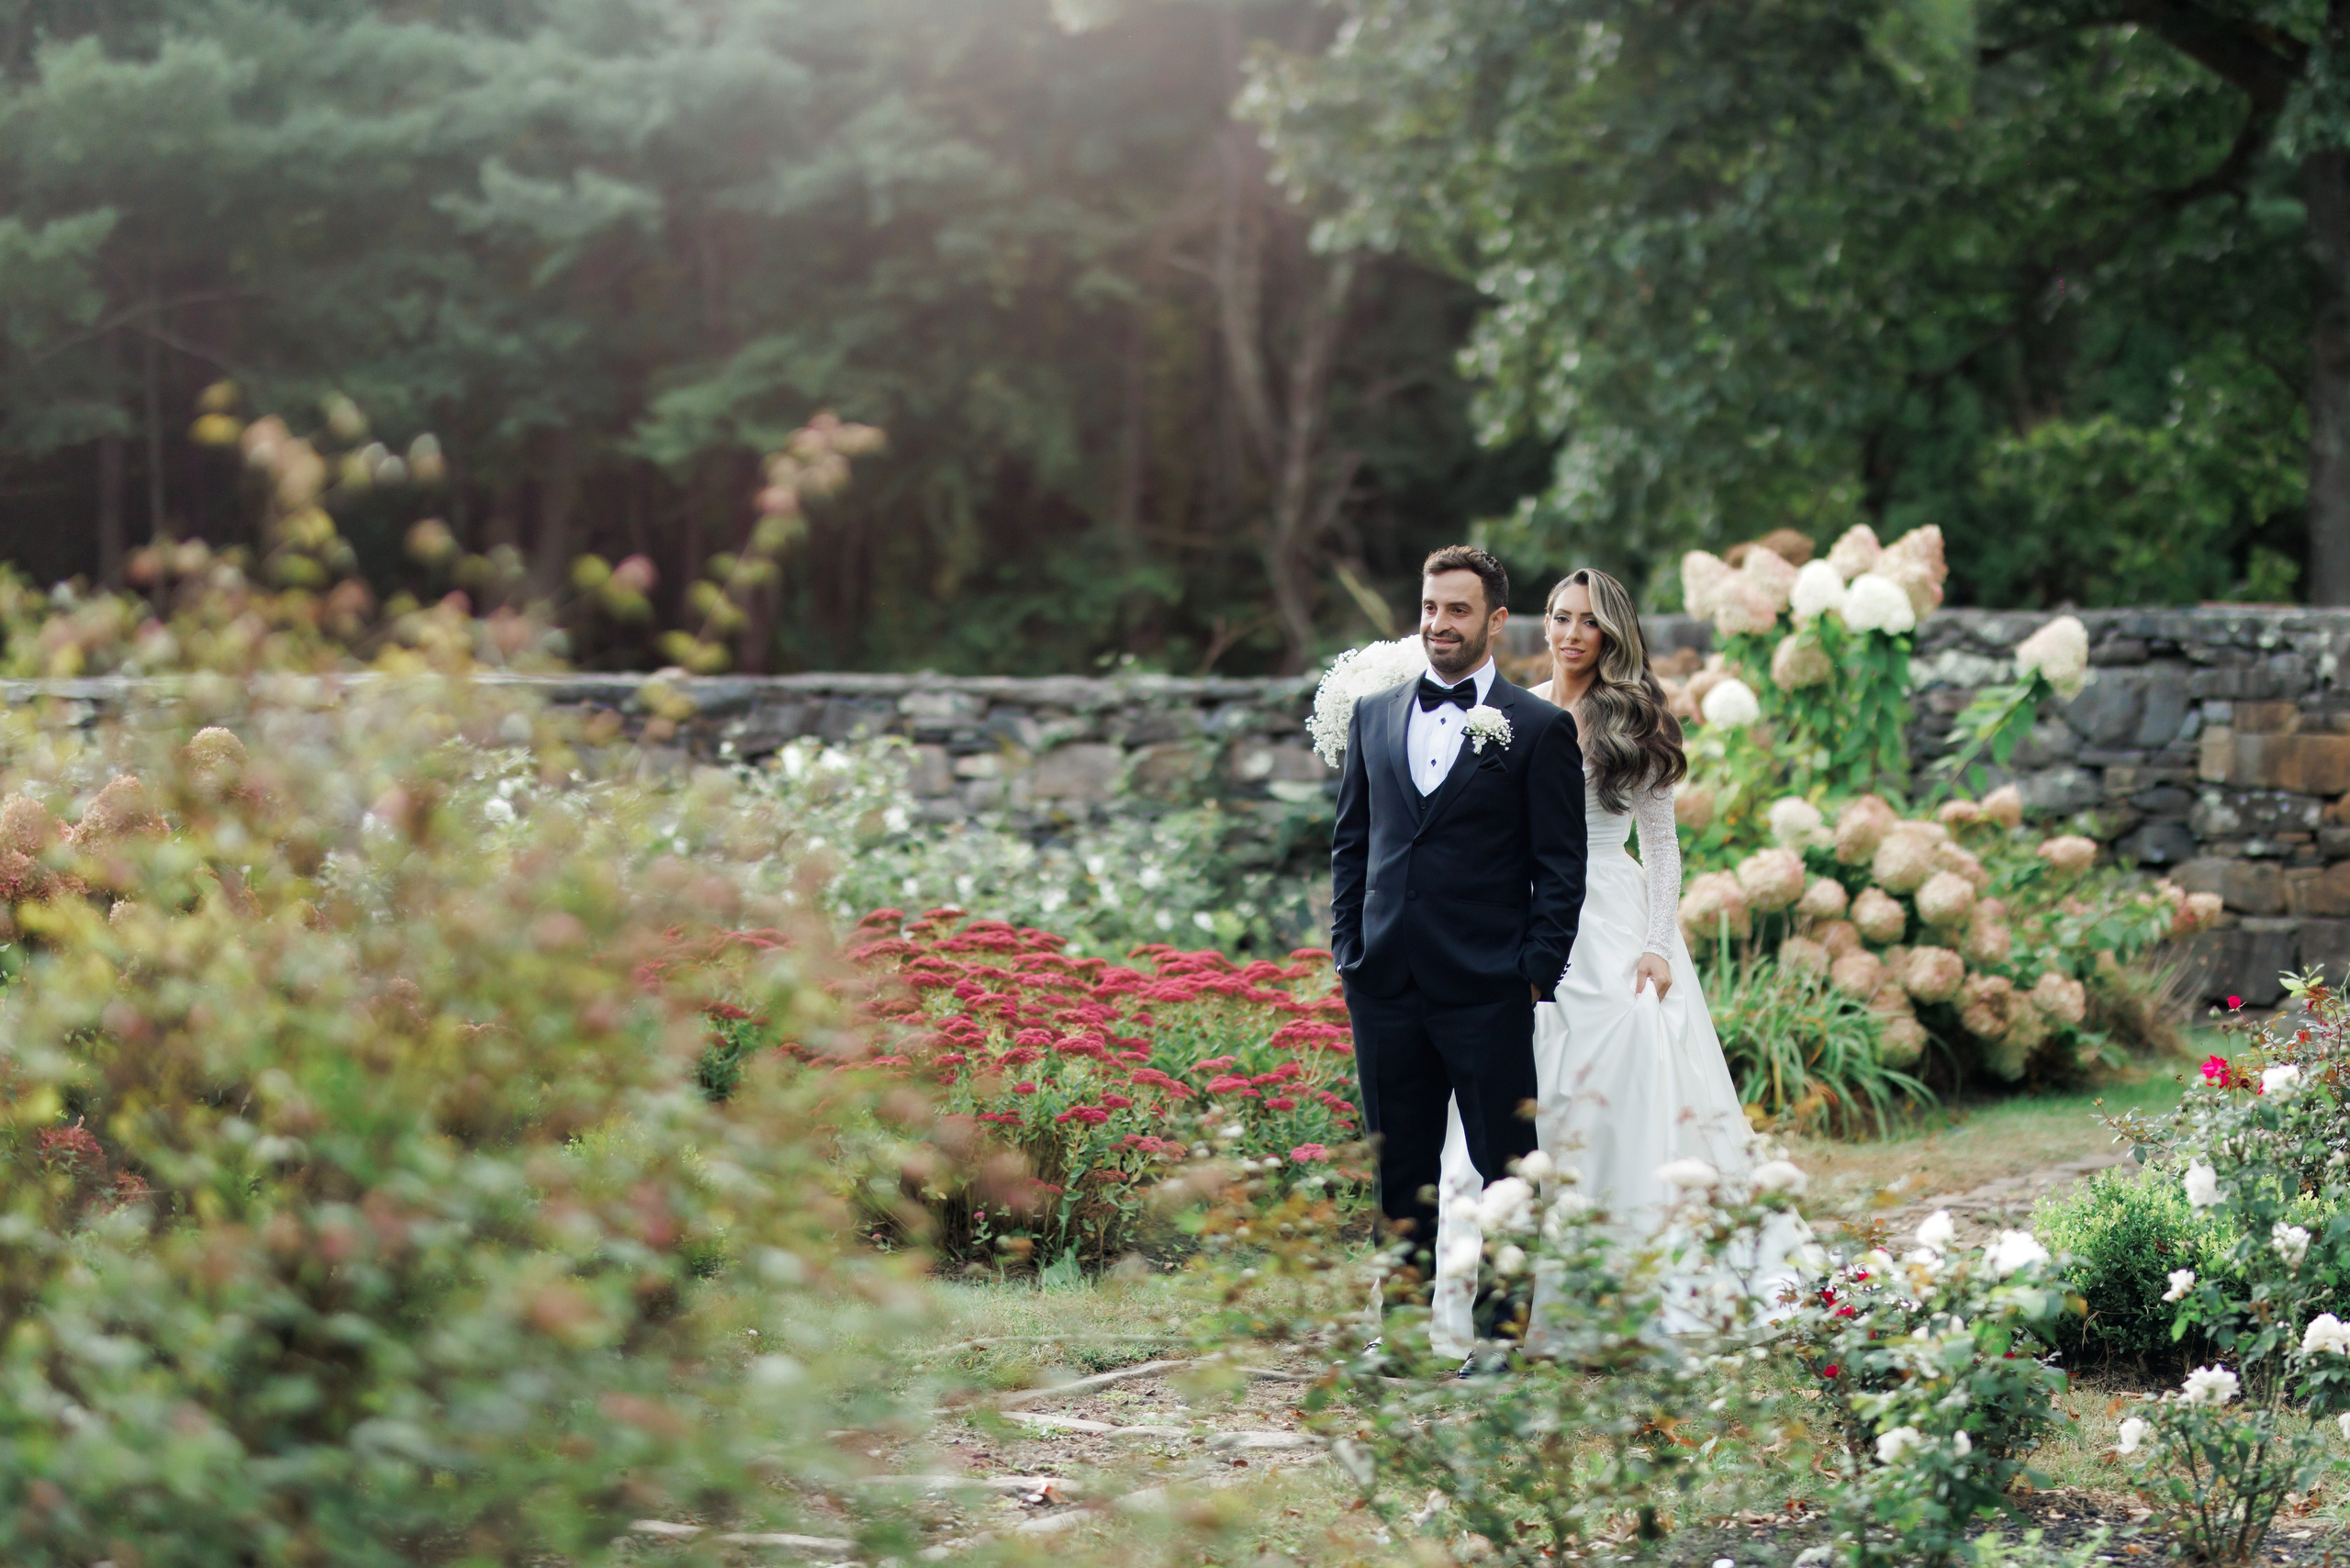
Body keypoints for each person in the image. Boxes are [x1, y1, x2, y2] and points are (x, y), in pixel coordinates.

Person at [1427, 567, 1772, 1357]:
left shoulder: (1634, 720)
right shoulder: (1507, 707)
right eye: (1558, 617)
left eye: (1586, 621)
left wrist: (1657, 946)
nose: (1570, 632)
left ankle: (1626, 1288)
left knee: (1618, 1053)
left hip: (1609, 910)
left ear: (1611, 631)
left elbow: (1662, 848)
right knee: (1510, 1090)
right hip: (1520, 913)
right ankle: (1496, 1297)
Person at [1329, 545, 1587, 1285]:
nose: (1439, 624)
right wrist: (1349, 949)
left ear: (1497, 620)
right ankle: (1405, 1335)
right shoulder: (1374, 716)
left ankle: (1500, 1338)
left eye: (1458, 610)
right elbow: (1352, 843)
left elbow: (1562, 867)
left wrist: (1533, 972)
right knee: (1399, 1166)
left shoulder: (1537, 728)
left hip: (1487, 985)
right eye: (1430, 608)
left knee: (1505, 1171)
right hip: (1382, 982)